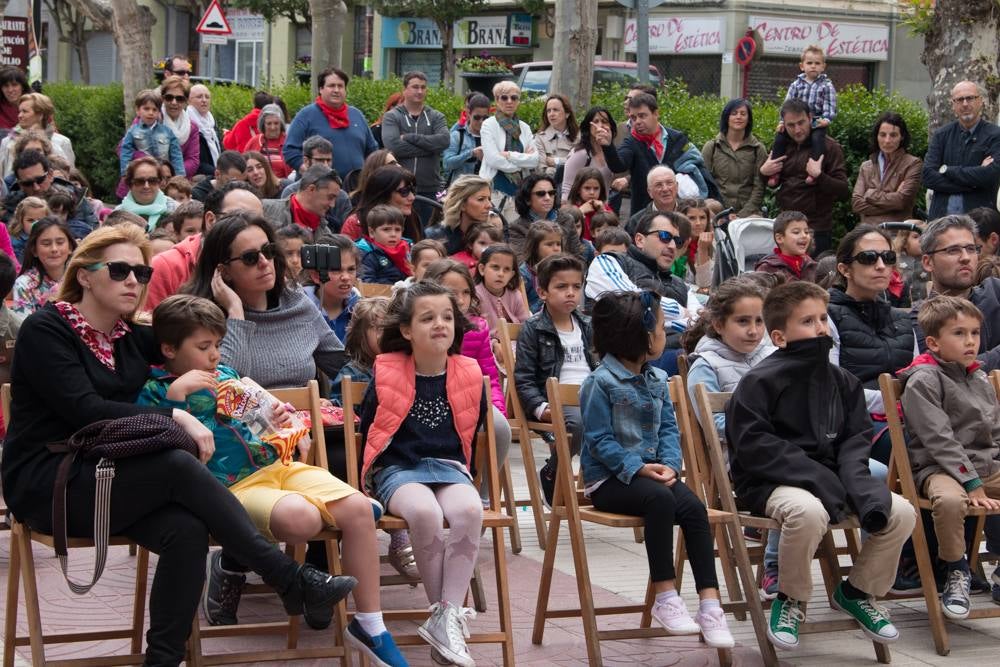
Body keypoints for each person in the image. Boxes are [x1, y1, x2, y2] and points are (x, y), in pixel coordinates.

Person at [0, 224, 359, 666]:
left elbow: (207, 350)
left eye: (141, 271)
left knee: (185, 530)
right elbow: (85, 409)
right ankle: (287, 577)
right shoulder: (46, 328)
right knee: (174, 463)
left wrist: (233, 310)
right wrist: (176, 414)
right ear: (86, 275)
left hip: (113, 474)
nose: (133, 280)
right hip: (51, 480)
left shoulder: (130, 337)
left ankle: (164, 659)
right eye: (119, 269)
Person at [134, 296, 406, 666]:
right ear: (169, 349)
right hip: (230, 488)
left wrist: (280, 416)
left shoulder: (228, 377)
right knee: (303, 521)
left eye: (217, 344)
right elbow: (175, 455)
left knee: (359, 510)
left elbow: (267, 423)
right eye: (203, 347)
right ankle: (322, 519)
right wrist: (178, 399)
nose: (214, 355)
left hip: (281, 468)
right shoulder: (155, 393)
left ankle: (371, 627)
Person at [725, 280, 916, 650]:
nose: (821, 328)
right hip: (771, 480)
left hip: (830, 476)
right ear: (779, 336)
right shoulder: (759, 381)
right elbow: (754, 446)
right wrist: (816, 476)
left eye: (823, 318)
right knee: (808, 512)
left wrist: (854, 481)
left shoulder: (841, 380)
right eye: (808, 322)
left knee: (902, 511)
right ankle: (791, 598)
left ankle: (858, 591)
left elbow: (856, 438)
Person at [583, 289, 735, 647]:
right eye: (662, 327)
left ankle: (710, 604)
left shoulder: (656, 380)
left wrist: (669, 465)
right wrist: (638, 468)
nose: (666, 335)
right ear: (640, 334)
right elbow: (598, 440)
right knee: (659, 501)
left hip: (652, 477)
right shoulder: (599, 382)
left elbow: (669, 428)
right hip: (609, 479)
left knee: (695, 509)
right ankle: (666, 597)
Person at [358, 280, 486, 666]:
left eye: (447, 317)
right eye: (427, 318)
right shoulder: (387, 370)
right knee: (425, 512)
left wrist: (466, 473)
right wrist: (372, 474)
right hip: (398, 468)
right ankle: (444, 618)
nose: (440, 324)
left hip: (448, 466)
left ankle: (444, 618)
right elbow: (370, 427)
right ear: (407, 330)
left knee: (469, 511)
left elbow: (472, 428)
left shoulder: (468, 371)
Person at [898, 295, 1000, 619]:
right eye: (959, 333)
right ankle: (956, 570)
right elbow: (939, 440)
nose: (970, 341)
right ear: (933, 343)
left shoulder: (980, 378)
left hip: (985, 464)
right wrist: (971, 482)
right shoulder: (923, 379)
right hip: (939, 468)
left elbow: (994, 432)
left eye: (974, 333)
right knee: (951, 502)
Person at [682, 279, 776, 594]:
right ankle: (775, 564)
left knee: (871, 473)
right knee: (795, 475)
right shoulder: (705, 364)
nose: (753, 330)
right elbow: (714, 424)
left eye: (759, 321)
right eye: (743, 321)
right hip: (739, 457)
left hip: (785, 448)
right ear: (720, 324)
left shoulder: (774, 355)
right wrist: (764, 428)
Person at [182, 212, 346, 390]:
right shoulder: (202, 318)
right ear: (224, 271)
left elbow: (343, 367)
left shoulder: (297, 302)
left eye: (268, 251)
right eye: (250, 258)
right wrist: (235, 314)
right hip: (239, 417)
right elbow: (226, 387)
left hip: (303, 415)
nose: (264, 262)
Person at [422, 259, 513, 504]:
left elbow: (490, 376)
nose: (461, 299)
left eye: (466, 292)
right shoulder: (421, 327)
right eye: (453, 293)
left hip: (471, 397)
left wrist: (497, 407)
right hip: (431, 396)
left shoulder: (478, 328)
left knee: (500, 427)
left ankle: (484, 498)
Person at [516, 253, 598, 506]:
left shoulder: (587, 325)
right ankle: (553, 471)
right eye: (561, 287)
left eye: (576, 287)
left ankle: (605, 480)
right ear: (542, 292)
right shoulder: (534, 327)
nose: (571, 293)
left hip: (592, 395)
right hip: (558, 401)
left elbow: (601, 364)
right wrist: (541, 408)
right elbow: (524, 378)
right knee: (579, 422)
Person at [828, 225, 915, 432]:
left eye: (888, 257)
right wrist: (896, 402)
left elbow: (920, 378)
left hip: (910, 418)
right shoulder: (826, 317)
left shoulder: (902, 320)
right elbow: (832, 389)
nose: (881, 265)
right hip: (854, 424)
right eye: (868, 258)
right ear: (844, 269)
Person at [146, 181, 265, 309]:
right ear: (210, 220)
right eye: (238, 218)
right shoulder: (165, 267)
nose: (250, 227)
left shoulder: (268, 261)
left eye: (259, 222)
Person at [759, 99, 850, 255]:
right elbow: (768, 183)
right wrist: (763, 172)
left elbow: (843, 190)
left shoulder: (830, 147)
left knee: (813, 277)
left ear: (810, 117)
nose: (797, 130)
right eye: (791, 125)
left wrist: (819, 176)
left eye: (801, 123)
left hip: (816, 228)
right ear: (783, 124)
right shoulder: (781, 146)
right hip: (786, 226)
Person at [911, 214, 1000, 371]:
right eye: (953, 250)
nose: (966, 258)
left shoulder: (995, 291)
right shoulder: (920, 317)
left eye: (971, 249)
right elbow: (948, 372)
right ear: (927, 262)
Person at [586, 209, 691, 339]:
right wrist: (681, 312)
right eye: (665, 236)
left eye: (678, 241)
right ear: (640, 240)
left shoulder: (679, 284)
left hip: (671, 353)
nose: (673, 246)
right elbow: (630, 300)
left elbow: (696, 320)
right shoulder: (609, 261)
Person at [607, 93, 717, 214]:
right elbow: (618, 165)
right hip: (644, 216)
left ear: (656, 113)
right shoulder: (632, 142)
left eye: (642, 116)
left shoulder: (677, 138)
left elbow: (699, 167)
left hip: (678, 215)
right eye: (633, 118)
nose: (637, 122)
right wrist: (607, 145)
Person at [381, 71, 450, 227]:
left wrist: (411, 138)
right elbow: (394, 146)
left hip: (430, 188)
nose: (419, 91)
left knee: (427, 232)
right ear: (405, 89)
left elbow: (444, 141)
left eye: (423, 87)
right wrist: (432, 148)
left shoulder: (436, 116)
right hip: (399, 188)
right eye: (415, 87)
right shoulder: (392, 117)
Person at [923, 81, 1000, 219]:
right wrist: (974, 182)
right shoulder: (941, 135)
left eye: (970, 98)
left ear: (980, 101)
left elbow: (991, 175)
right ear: (953, 105)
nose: (965, 104)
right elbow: (928, 177)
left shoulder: (995, 135)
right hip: (941, 220)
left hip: (980, 222)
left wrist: (947, 170)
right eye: (959, 100)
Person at [284, 67, 378, 179]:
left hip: (357, 188)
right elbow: (290, 151)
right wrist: (309, 172)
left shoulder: (356, 115)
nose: (336, 90)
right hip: (320, 189)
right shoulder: (306, 116)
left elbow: (372, 150)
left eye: (340, 86)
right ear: (321, 89)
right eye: (331, 86)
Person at [767, 46, 838, 188]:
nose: (813, 66)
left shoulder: (827, 85)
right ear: (802, 66)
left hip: (817, 120)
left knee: (818, 140)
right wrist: (782, 122)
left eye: (817, 63)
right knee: (780, 138)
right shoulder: (796, 85)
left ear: (823, 66)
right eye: (810, 63)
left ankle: (813, 170)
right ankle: (774, 171)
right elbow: (786, 106)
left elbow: (830, 105)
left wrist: (826, 119)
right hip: (796, 120)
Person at [3, 150, 96, 239]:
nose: (36, 187)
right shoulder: (11, 206)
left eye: (40, 180)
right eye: (28, 183)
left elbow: (94, 234)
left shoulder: (75, 198)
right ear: (20, 184)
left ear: (50, 175)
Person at [479, 81, 539, 216]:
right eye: (504, 97)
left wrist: (511, 156)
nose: (509, 101)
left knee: (514, 233)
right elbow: (493, 159)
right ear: (496, 100)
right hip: (494, 190)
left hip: (520, 190)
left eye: (514, 97)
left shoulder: (524, 127)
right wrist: (523, 163)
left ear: (518, 101)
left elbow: (535, 160)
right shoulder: (488, 125)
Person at [852, 112, 923, 225]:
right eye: (883, 135)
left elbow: (901, 201)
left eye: (893, 135)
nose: (887, 140)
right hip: (867, 233)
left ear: (902, 137)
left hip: (897, 232)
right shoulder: (866, 166)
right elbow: (856, 204)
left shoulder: (913, 163)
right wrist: (893, 201)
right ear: (877, 136)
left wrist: (870, 194)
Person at [700, 98, 767, 218]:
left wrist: (742, 215)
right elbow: (705, 183)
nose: (738, 117)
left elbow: (759, 187)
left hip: (749, 214)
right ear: (727, 117)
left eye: (743, 113)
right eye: (734, 113)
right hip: (717, 211)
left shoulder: (758, 149)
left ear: (749, 119)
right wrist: (724, 213)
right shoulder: (712, 147)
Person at [330, 295, 389, 405]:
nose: (388, 335)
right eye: (380, 329)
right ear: (360, 335)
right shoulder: (352, 374)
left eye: (392, 329)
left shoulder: (405, 367)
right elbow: (340, 410)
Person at [0, 92, 75, 179]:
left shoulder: (62, 142)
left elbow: (71, 175)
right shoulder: (7, 142)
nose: (19, 115)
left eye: (25, 111)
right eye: (19, 111)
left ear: (40, 114)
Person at [12, 217, 76, 317]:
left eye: (60, 242)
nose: (54, 249)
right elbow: (24, 329)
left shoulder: (82, 278)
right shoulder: (24, 285)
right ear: (34, 250)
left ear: (70, 247)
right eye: (46, 244)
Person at [341, 165, 422, 242]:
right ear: (384, 194)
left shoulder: (412, 217)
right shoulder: (356, 223)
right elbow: (346, 254)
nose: (412, 197)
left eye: (413, 190)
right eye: (404, 192)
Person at [305, 234, 361, 343]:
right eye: (336, 270)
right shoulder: (301, 309)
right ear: (316, 275)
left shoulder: (360, 310)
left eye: (351, 269)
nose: (345, 277)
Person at [119, 89, 185, 180]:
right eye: (146, 109)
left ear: (159, 112)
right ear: (138, 110)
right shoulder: (133, 131)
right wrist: (125, 174)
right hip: (143, 176)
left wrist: (180, 175)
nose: (151, 113)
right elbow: (125, 152)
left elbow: (176, 155)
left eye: (154, 110)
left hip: (163, 176)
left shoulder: (167, 132)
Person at [262, 165, 342, 236]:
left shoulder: (325, 234)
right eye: (330, 197)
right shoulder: (264, 210)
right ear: (311, 189)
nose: (333, 205)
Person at [425, 174, 494, 255]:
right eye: (481, 199)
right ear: (462, 204)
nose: (489, 205)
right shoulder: (436, 238)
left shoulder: (491, 236)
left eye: (489, 199)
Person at [560, 106, 617, 202]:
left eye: (604, 121)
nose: (600, 125)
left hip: (603, 211)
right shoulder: (580, 154)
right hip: (581, 211)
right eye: (596, 121)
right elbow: (566, 191)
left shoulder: (612, 153)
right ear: (588, 126)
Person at [475, 243, 530, 339]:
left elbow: (526, 325)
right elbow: (474, 331)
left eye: (507, 269)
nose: (501, 274)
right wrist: (494, 343)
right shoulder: (475, 295)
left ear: (512, 275)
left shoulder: (515, 295)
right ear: (482, 269)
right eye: (495, 267)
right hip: (487, 345)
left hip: (516, 340)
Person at [115, 157, 179, 232]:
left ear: (159, 182)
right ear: (129, 184)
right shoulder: (117, 215)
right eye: (140, 181)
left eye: (152, 181)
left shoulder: (176, 210)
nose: (146, 186)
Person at [754, 210, 818, 282]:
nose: (804, 236)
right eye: (796, 232)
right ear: (780, 238)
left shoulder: (811, 264)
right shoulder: (767, 269)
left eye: (806, 232)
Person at [158, 75, 201, 179]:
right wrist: (154, 170)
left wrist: (170, 173)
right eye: (169, 97)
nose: (174, 102)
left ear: (186, 101)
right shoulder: (151, 119)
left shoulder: (192, 128)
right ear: (162, 99)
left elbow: (193, 160)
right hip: (144, 181)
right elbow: (123, 148)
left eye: (179, 99)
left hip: (175, 184)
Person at [443, 93, 489, 186]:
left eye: (485, 118)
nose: (481, 121)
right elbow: (447, 164)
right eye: (477, 117)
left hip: (485, 190)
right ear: (469, 114)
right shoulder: (457, 135)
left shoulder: (493, 136)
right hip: (462, 191)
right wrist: (471, 153)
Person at [519, 221, 564, 313]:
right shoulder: (524, 274)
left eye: (558, 244)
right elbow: (522, 308)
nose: (556, 248)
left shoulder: (562, 270)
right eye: (549, 244)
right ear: (535, 247)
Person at [360, 204, 412, 285]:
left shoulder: (407, 249)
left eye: (398, 230)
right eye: (386, 229)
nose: (393, 234)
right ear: (372, 232)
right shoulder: (368, 254)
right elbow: (366, 283)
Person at [534, 93, 580, 182]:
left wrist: (556, 161)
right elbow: (542, 171)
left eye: (555, 110)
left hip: (576, 187)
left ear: (567, 113)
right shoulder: (540, 138)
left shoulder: (579, 137)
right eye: (548, 111)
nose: (551, 114)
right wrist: (568, 163)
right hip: (550, 188)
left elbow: (582, 165)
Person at [625, 166, 679, 236]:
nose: (665, 189)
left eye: (669, 183)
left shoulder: (691, 215)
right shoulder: (636, 222)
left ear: (677, 187)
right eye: (658, 185)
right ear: (650, 192)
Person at [243, 103, 291, 178]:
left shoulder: (289, 142)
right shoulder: (254, 142)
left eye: (276, 123)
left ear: (281, 124)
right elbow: (243, 165)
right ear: (263, 125)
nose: (273, 127)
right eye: (269, 124)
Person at [675, 198, 713, 289]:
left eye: (702, 217)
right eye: (692, 218)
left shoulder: (715, 241)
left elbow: (705, 284)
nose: (698, 223)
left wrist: (702, 249)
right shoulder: (673, 242)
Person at [565, 166, 611, 241]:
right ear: (578, 189)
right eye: (587, 188)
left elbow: (616, 231)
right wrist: (579, 212)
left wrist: (603, 211)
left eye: (596, 188)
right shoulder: (570, 208)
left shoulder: (604, 207)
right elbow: (564, 231)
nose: (592, 192)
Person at [187, 83, 221, 177]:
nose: (204, 100)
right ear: (189, 100)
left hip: (215, 173)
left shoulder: (212, 122)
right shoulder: (187, 123)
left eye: (207, 97)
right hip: (198, 177)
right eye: (199, 97)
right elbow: (196, 162)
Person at [7, 194, 47, 264]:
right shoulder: (16, 243)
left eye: (40, 220)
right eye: (31, 220)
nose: (36, 224)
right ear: (21, 221)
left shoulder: (49, 236)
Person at [0, 65, 29, 133]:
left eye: (14, 85)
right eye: (6, 86)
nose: (10, 90)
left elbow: (50, 131)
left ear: (23, 86)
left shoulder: (36, 103)